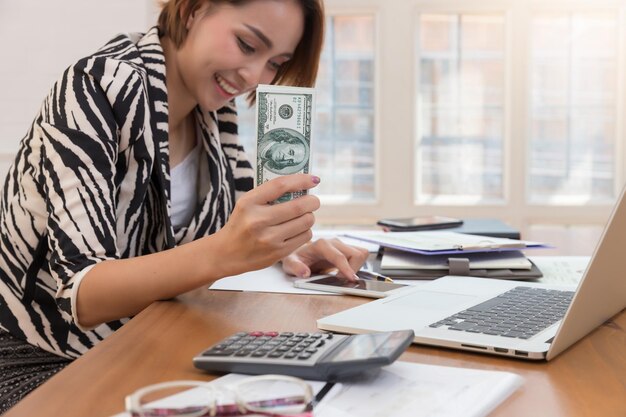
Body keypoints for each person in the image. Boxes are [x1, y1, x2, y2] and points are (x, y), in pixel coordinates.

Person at [0, 0, 369, 410]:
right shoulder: (96, 86)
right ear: (195, 10)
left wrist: (286, 248)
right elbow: (83, 294)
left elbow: (232, 222)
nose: (253, 76)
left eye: (275, 62)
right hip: (44, 361)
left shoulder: (211, 109)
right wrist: (227, 251)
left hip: (144, 342)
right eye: (247, 44)